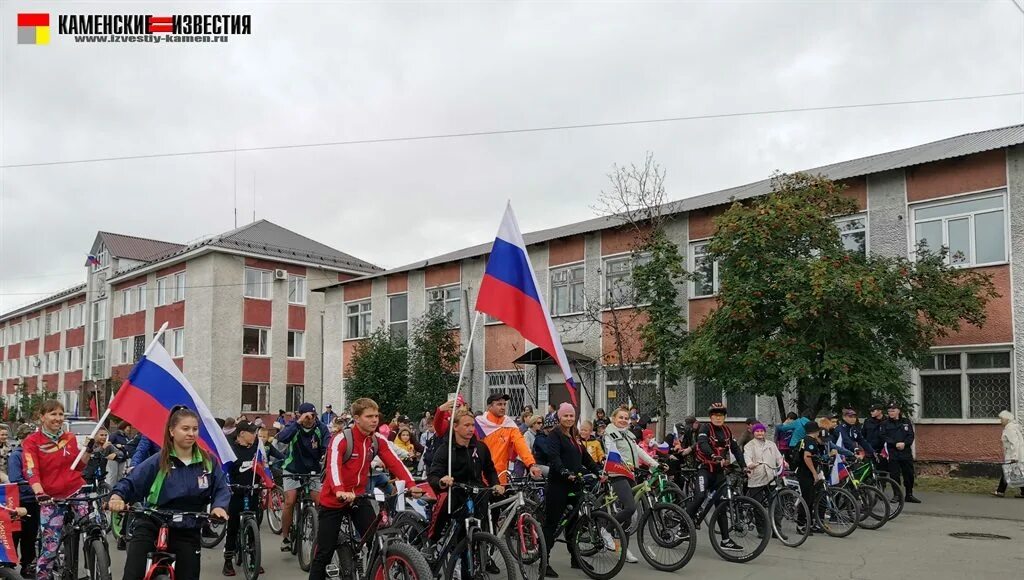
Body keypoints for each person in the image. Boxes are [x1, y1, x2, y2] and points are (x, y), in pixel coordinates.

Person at [110, 406, 230, 580]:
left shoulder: (208, 461)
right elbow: (132, 482)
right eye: (185, 428)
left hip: (188, 526)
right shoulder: (158, 460)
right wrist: (117, 496)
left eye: (195, 429)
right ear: (172, 431)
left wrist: (219, 507)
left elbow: (221, 488)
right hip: (152, 521)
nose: (191, 433)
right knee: (133, 574)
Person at [310, 398, 419, 580]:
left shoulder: (377, 441)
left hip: (359, 498)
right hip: (334, 500)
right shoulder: (342, 439)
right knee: (324, 552)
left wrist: (412, 485)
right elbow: (333, 467)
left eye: (376, 416)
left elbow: (395, 463)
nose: (374, 420)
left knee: (376, 542)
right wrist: (339, 490)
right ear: (357, 418)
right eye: (369, 416)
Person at [22, 400, 89, 580]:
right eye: (53, 414)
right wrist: (40, 493)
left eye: (60, 414)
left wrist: (88, 450)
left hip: (76, 490)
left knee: (93, 526)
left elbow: (79, 466)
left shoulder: (69, 438)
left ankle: (98, 563)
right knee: (50, 549)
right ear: (42, 417)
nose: (58, 418)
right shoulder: (31, 442)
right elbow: (31, 470)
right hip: (50, 497)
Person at [427, 408, 503, 559]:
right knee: (443, 507)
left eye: (472, 425)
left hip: (477, 491)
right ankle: (432, 542)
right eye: (466, 425)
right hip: (454, 490)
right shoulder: (446, 449)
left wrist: (496, 484)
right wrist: (442, 481)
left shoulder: (481, 447)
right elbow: (434, 475)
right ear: (455, 427)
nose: (471, 429)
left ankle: (482, 555)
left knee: (489, 515)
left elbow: (490, 470)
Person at [543, 403, 602, 578]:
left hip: (575, 483)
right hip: (558, 484)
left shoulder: (574, 434)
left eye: (571, 416)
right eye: (565, 416)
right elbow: (554, 456)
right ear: (559, 417)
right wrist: (564, 472)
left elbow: (585, 457)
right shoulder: (555, 435)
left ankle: (576, 559)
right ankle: (544, 562)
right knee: (552, 524)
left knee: (574, 524)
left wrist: (598, 472)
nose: (569, 418)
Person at [435, 393, 543, 484]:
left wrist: (531, 464)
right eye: (499, 404)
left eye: (504, 404)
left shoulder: (509, 425)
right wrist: (440, 411)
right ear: (489, 407)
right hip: (477, 477)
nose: (503, 407)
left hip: (499, 478)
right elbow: (443, 430)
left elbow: (522, 446)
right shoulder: (477, 423)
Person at [685, 403, 746, 552]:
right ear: (711, 417)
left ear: (724, 417)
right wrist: (713, 455)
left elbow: (736, 449)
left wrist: (744, 465)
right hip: (704, 469)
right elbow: (703, 443)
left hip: (719, 473)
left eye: (721, 416)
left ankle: (725, 540)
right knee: (699, 497)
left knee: (721, 505)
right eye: (715, 415)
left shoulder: (726, 431)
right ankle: (683, 526)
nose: (718, 418)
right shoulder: (705, 428)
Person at [604, 406, 658, 564]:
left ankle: (624, 549)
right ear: (614, 419)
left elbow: (639, 451)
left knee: (630, 516)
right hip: (618, 473)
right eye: (620, 417)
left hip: (630, 473)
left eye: (626, 418)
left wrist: (655, 464)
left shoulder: (628, 434)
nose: (623, 420)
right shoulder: (610, 434)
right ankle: (605, 530)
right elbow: (611, 450)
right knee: (630, 508)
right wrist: (623, 462)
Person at [278, 402, 330, 552]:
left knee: (320, 500)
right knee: (290, 500)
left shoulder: (321, 428)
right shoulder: (294, 426)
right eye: (306, 416)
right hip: (292, 468)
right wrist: (298, 422)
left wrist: (324, 459)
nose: (310, 419)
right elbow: (282, 438)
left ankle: (321, 534)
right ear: (300, 415)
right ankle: (286, 537)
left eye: (312, 416)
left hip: (313, 470)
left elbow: (327, 446)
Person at [221, 420, 265, 576]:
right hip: (235, 493)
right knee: (232, 527)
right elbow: (224, 471)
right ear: (241, 434)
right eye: (251, 432)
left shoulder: (256, 448)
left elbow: (263, 468)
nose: (255, 435)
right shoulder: (230, 450)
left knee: (254, 527)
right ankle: (228, 560)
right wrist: (227, 486)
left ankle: (254, 558)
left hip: (252, 492)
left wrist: (266, 483)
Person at [8, 423, 39, 579]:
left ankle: (27, 565)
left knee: (31, 535)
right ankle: (9, 566)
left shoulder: (35, 453)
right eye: (29, 436)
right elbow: (15, 480)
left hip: (34, 501)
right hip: (20, 501)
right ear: (21, 438)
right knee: (16, 535)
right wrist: (35, 487)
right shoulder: (16, 455)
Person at [881, 402, 920, 503]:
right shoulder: (885, 423)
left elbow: (911, 435)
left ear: (898, 411)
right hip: (893, 452)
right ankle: (896, 495)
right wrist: (895, 444)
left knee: (909, 474)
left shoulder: (906, 422)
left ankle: (909, 494)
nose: (891, 413)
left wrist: (904, 444)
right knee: (894, 475)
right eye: (889, 411)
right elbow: (883, 436)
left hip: (905, 452)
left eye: (893, 410)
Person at [794, 421, 827, 533]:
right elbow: (807, 457)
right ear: (816, 431)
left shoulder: (806, 439)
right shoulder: (810, 441)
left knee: (812, 498)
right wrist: (814, 473)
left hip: (805, 472)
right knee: (807, 498)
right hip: (806, 473)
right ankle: (801, 524)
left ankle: (809, 522)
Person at [743, 423, 784, 504]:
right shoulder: (749, 446)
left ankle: (774, 516)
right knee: (757, 503)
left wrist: (783, 462)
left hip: (770, 476)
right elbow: (747, 457)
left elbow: (778, 457)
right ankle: (759, 516)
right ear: (753, 433)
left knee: (774, 501)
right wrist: (750, 464)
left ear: (764, 432)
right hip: (756, 476)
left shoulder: (771, 444)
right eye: (757, 431)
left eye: (762, 431)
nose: (760, 433)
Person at [993, 410, 1024, 498]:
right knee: (1017, 473)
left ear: (1007, 419)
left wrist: (1014, 457)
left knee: (1007, 472)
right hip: (1017, 455)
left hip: (1012, 455)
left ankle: (1000, 491)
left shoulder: (1010, 429)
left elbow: (1014, 443)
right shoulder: (1013, 428)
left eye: (1002, 419)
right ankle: (1023, 492)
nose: (1000, 421)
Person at [108, 421, 136, 486]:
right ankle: (112, 489)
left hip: (122, 458)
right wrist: (116, 445)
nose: (129, 429)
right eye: (128, 427)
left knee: (120, 475)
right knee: (114, 475)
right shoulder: (114, 435)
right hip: (114, 458)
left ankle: (118, 489)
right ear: (124, 427)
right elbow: (109, 444)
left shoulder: (127, 437)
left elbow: (129, 445)